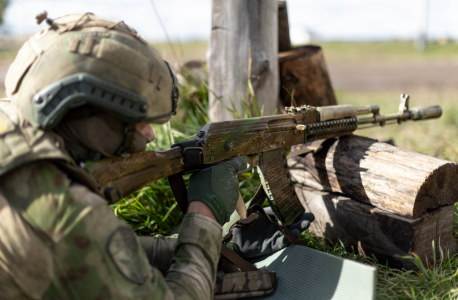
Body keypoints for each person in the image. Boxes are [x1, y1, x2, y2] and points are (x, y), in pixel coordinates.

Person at [0, 12, 313, 300]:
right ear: (87, 114)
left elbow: (103, 255)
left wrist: (222, 245)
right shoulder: (65, 212)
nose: (150, 136)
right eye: (137, 123)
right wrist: (204, 214)